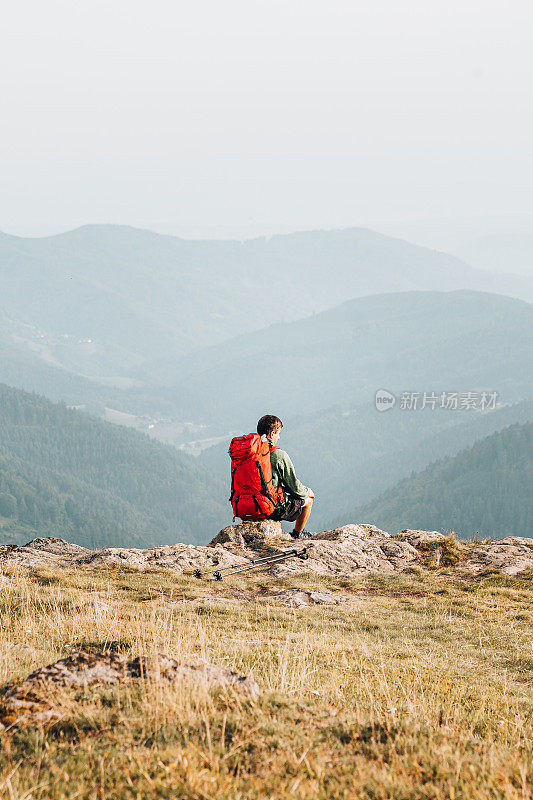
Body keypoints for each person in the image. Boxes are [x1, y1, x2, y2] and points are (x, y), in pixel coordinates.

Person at [256, 414, 315, 539]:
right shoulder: (278, 455)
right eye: (278, 433)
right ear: (272, 434)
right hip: (269, 508)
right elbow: (294, 488)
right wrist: (307, 492)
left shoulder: (250, 453)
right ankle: (297, 534)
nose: (279, 437)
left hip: (247, 506)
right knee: (309, 500)